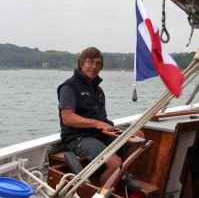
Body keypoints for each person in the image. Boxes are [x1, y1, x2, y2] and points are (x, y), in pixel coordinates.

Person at [57, 47, 143, 188]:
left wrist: (104, 126)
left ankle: (123, 175)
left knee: (138, 136)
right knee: (115, 164)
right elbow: (68, 118)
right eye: (90, 62)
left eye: (98, 64)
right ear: (81, 64)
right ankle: (101, 194)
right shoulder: (69, 87)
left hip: (99, 134)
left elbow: (100, 118)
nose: (94, 67)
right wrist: (97, 123)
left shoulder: (98, 90)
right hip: (78, 138)